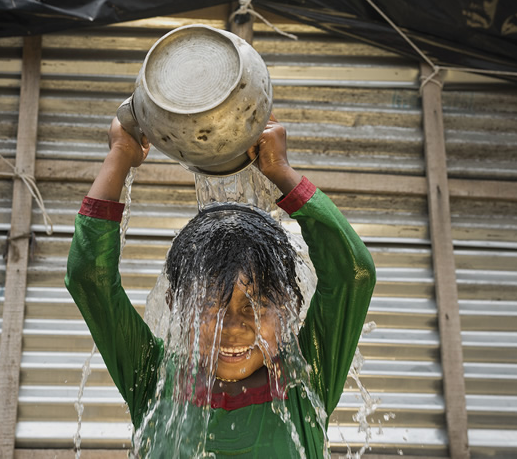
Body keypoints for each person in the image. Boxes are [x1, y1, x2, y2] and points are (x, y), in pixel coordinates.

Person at [65, 116, 376, 457]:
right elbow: (89, 279)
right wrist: (121, 153)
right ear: (175, 305)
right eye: (210, 305)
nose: (234, 327)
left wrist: (282, 172)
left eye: (254, 306)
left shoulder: (307, 377)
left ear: (290, 305)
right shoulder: (156, 378)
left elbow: (353, 273)